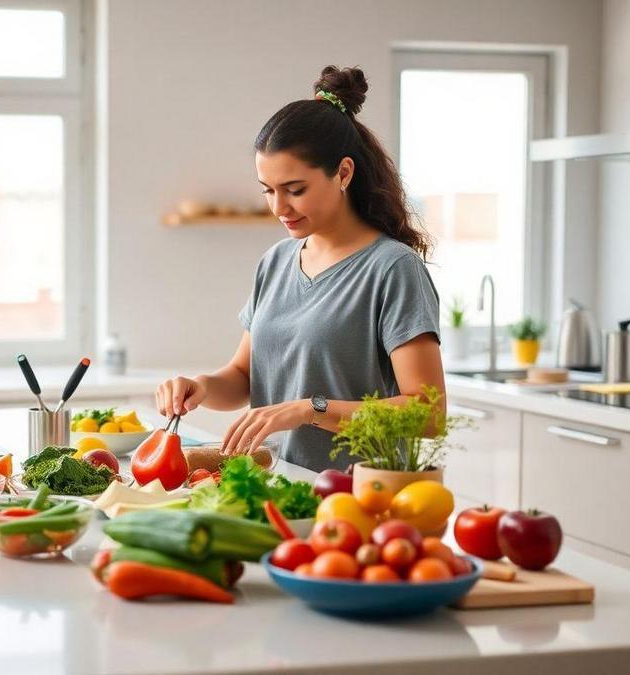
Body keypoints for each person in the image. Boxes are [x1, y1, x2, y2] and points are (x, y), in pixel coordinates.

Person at [155, 65, 445, 472]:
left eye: (295, 190)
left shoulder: (393, 268)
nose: (279, 207)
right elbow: (243, 376)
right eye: (269, 191)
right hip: (273, 486)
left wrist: (311, 409)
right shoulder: (275, 262)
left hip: (355, 498)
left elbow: (427, 415)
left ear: (343, 173)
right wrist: (200, 386)